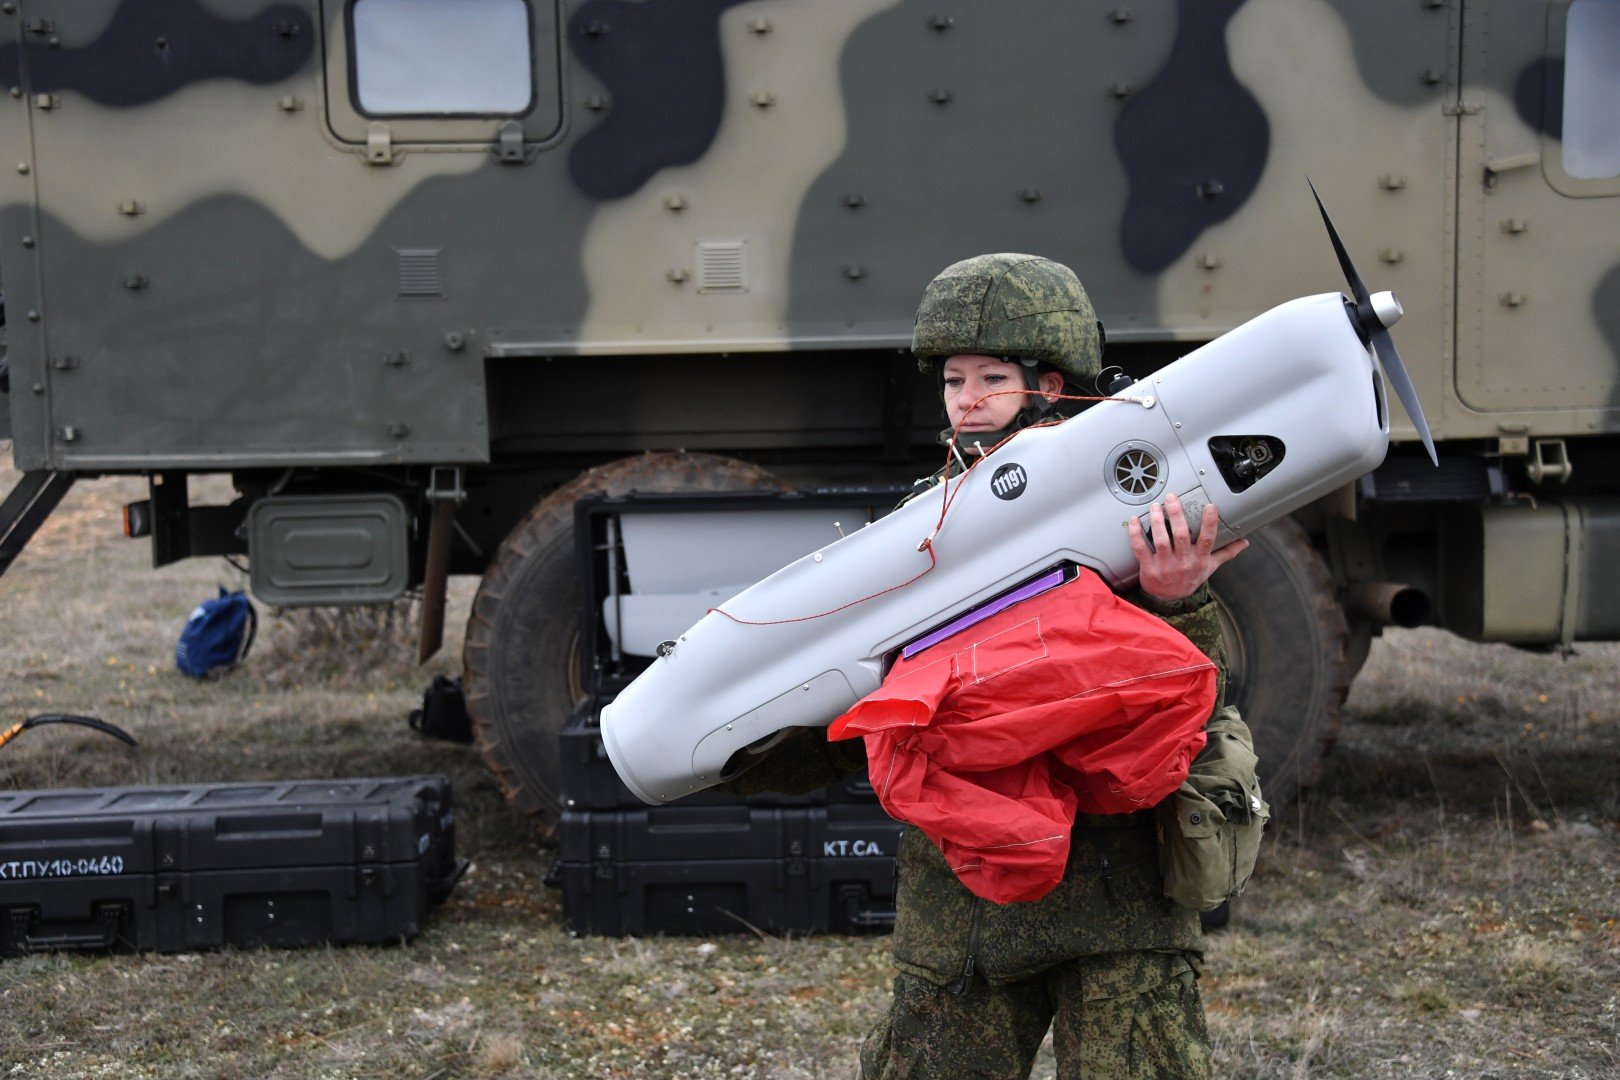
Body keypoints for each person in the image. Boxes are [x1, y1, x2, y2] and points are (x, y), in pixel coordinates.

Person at [725, 253, 1248, 1078]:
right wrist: (731, 755)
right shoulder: (922, 527)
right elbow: (869, 700)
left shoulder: (1138, 509)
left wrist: (1175, 600)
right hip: (969, 899)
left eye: (991, 377)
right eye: (953, 379)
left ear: (1049, 384)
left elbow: (1197, 706)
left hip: (1119, 896)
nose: (966, 399)